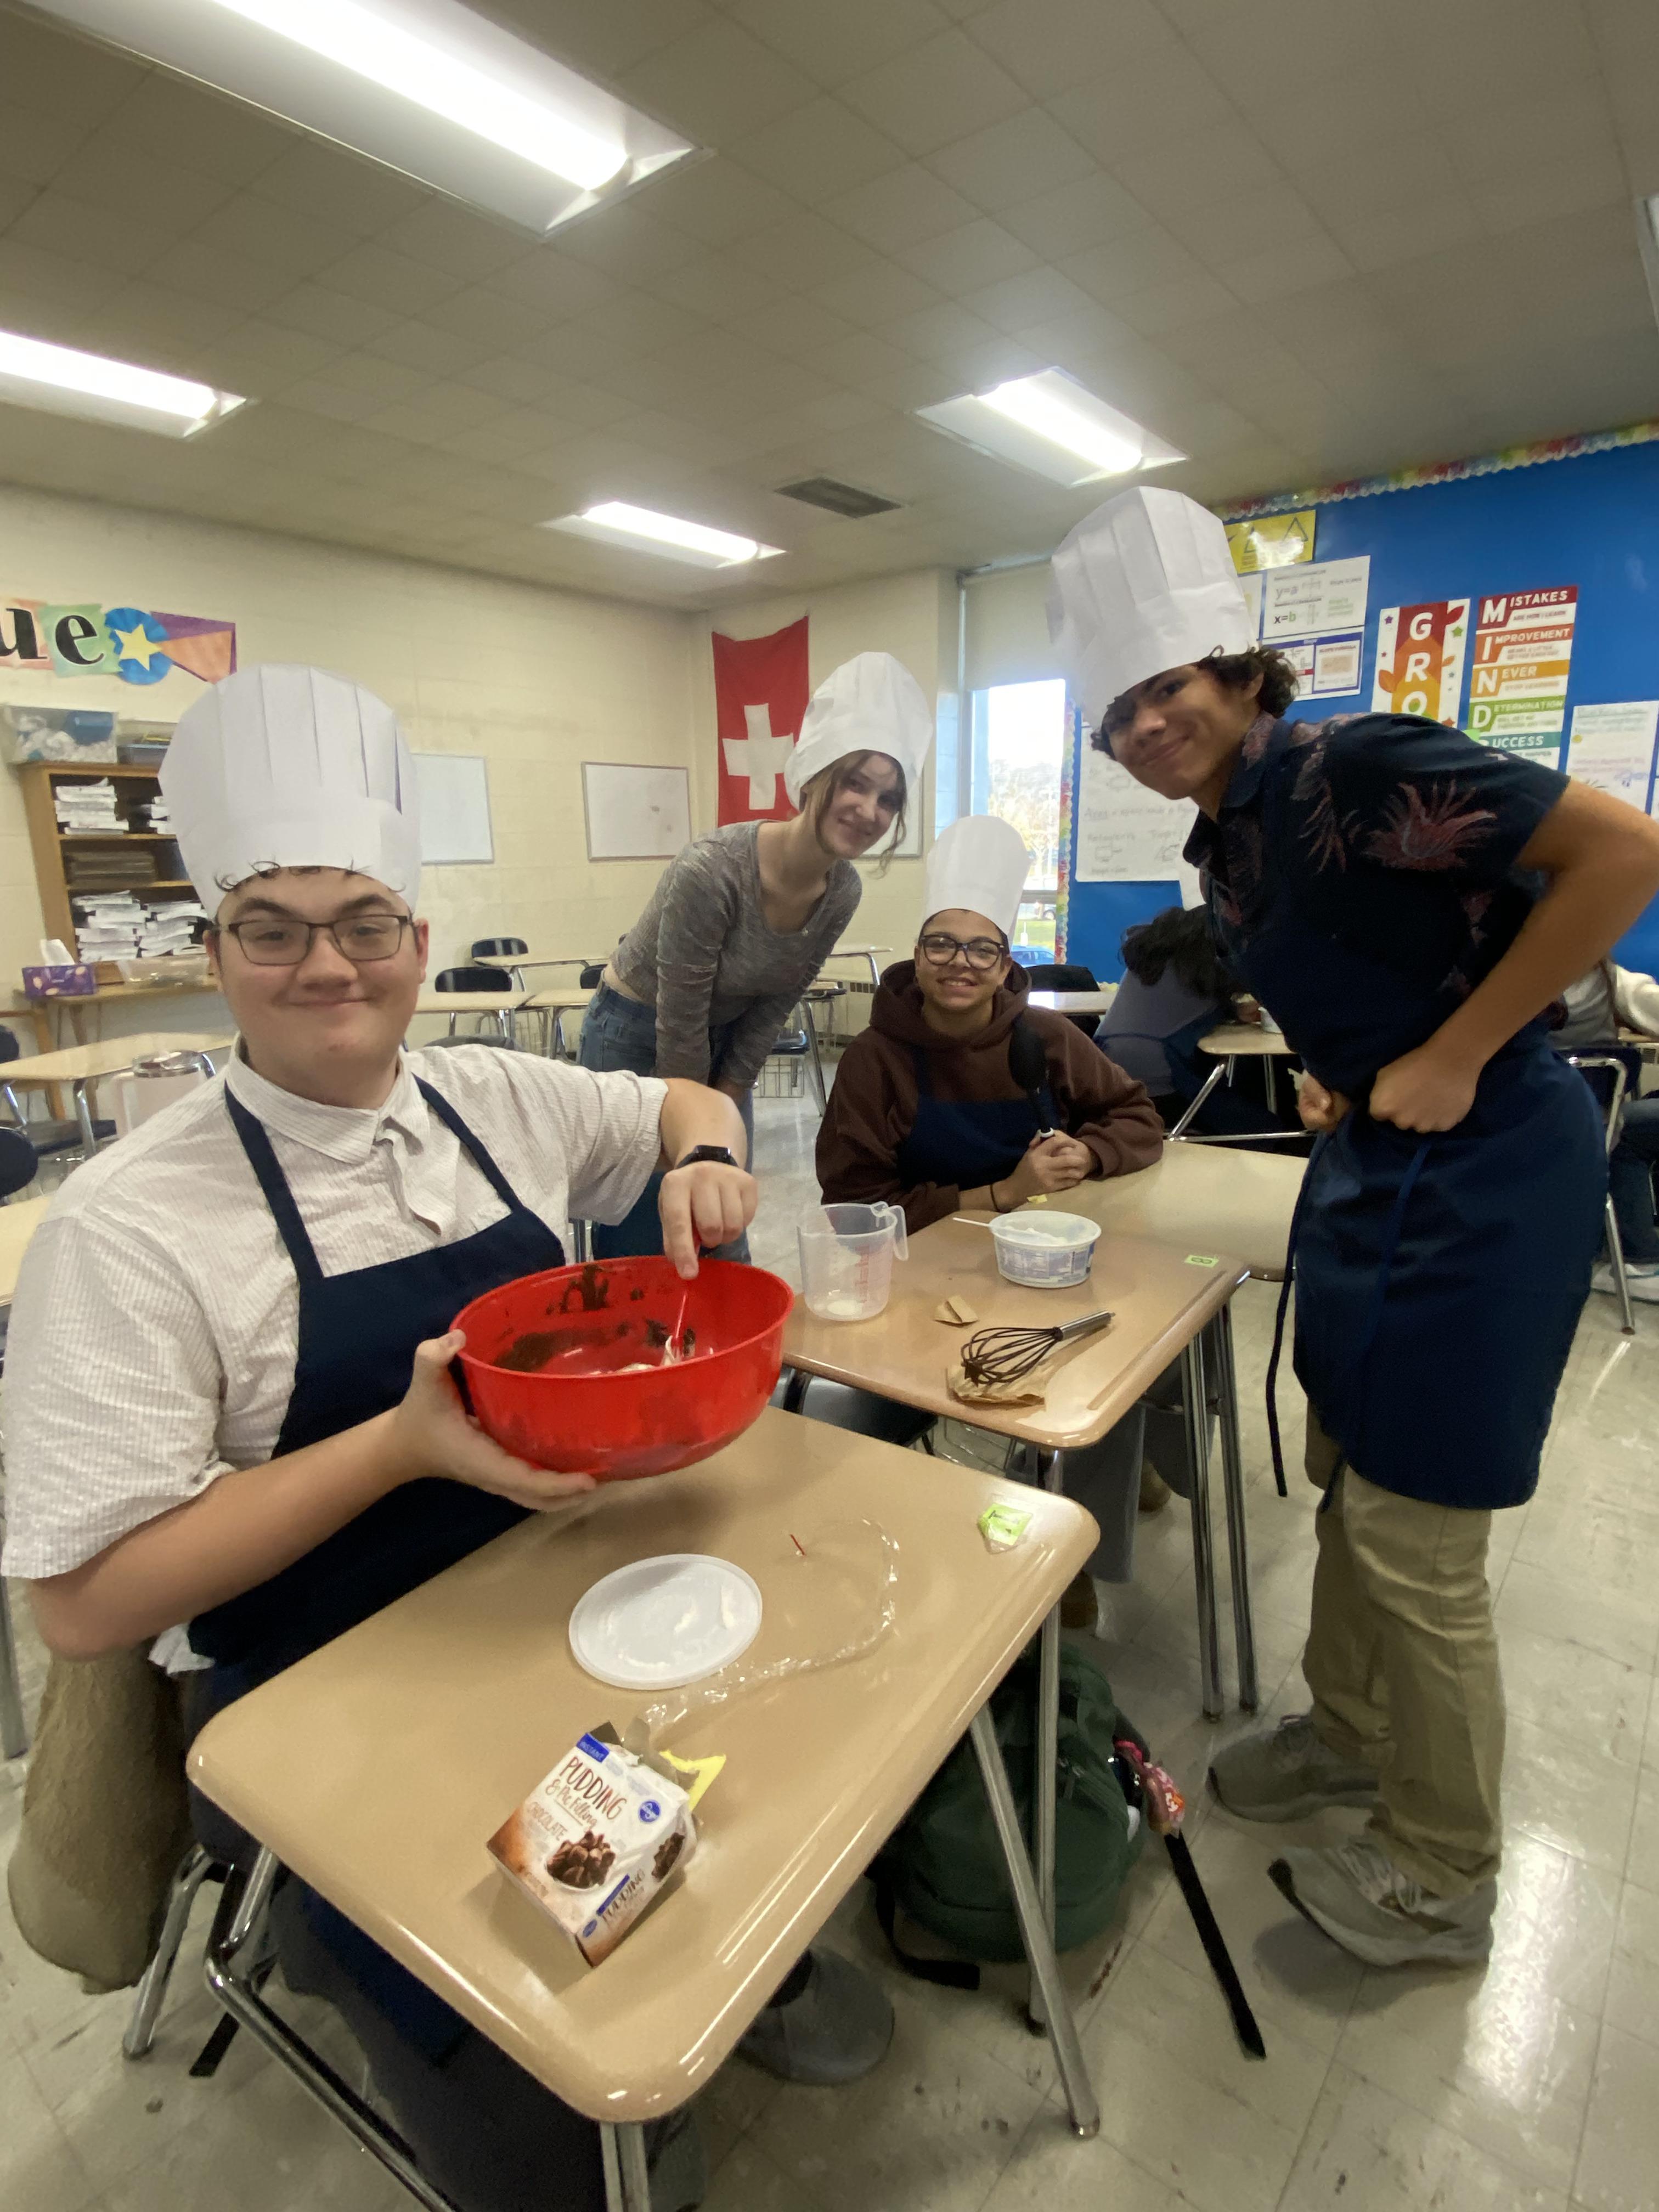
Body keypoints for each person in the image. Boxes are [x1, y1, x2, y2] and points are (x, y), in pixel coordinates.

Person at [1, 665, 889, 2212]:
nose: (324, 965)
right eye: (271, 928)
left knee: (789, 1783)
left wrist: (707, 1155)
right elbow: (85, 1603)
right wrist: (401, 1449)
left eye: (362, 924)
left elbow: (679, 1089)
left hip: (564, 1575)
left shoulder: (496, 1096)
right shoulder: (131, 1224)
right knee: (537, 2092)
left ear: (418, 943)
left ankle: (725, 1982)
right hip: (322, 1684)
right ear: (215, 949)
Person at [1048, 487, 1659, 1967]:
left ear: (1240, 673)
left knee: (1416, 1532)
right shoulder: (1227, 844)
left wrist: (1456, 1053)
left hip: (1494, 1154)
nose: (1145, 726)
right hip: (1380, 1160)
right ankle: (1349, 1732)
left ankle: (1444, 1873)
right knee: (1348, 1476)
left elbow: (1626, 854)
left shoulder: (1354, 762)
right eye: (1118, 710)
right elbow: (1385, 963)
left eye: (1169, 689)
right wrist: (1351, 1078)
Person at [816, 812, 1166, 1624]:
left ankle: (1077, 1537)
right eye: (942, 944)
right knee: (976, 1387)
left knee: (1105, 1362)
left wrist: (1090, 1155)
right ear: (918, 954)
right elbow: (852, 1206)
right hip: (922, 1270)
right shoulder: (879, 1059)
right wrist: (998, 1195)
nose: (960, 965)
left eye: (982, 949)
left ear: (1006, 963)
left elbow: (1137, 1117)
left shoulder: (1041, 1036)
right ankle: (970, 1532)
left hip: (1044, 1259)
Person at [580, 651, 933, 1259]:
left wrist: (730, 1092)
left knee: (723, 1220)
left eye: (889, 799)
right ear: (818, 776)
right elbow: (680, 1013)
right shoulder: (712, 870)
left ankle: (723, 1338)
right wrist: (698, 1129)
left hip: (729, 1034)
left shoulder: (842, 890)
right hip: (637, 1030)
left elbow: (778, 1001)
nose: (869, 811)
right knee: (651, 1225)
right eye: (856, 782)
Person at [1098, 904, 1295, 1138]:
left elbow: (1176, 1004)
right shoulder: (1209, 955)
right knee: (1263, 1126)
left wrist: (1234, 1011)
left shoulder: (1157, 952)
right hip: (1159, 1081)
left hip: (1105, 1069)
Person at [1553, 957, 1659, 1301]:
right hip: (1585, 1125)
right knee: (1619, 1122)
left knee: (1627, 1131)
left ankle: (1638, 1260)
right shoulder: (1601, 972)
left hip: (1517, 1130)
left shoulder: (1485, 977)